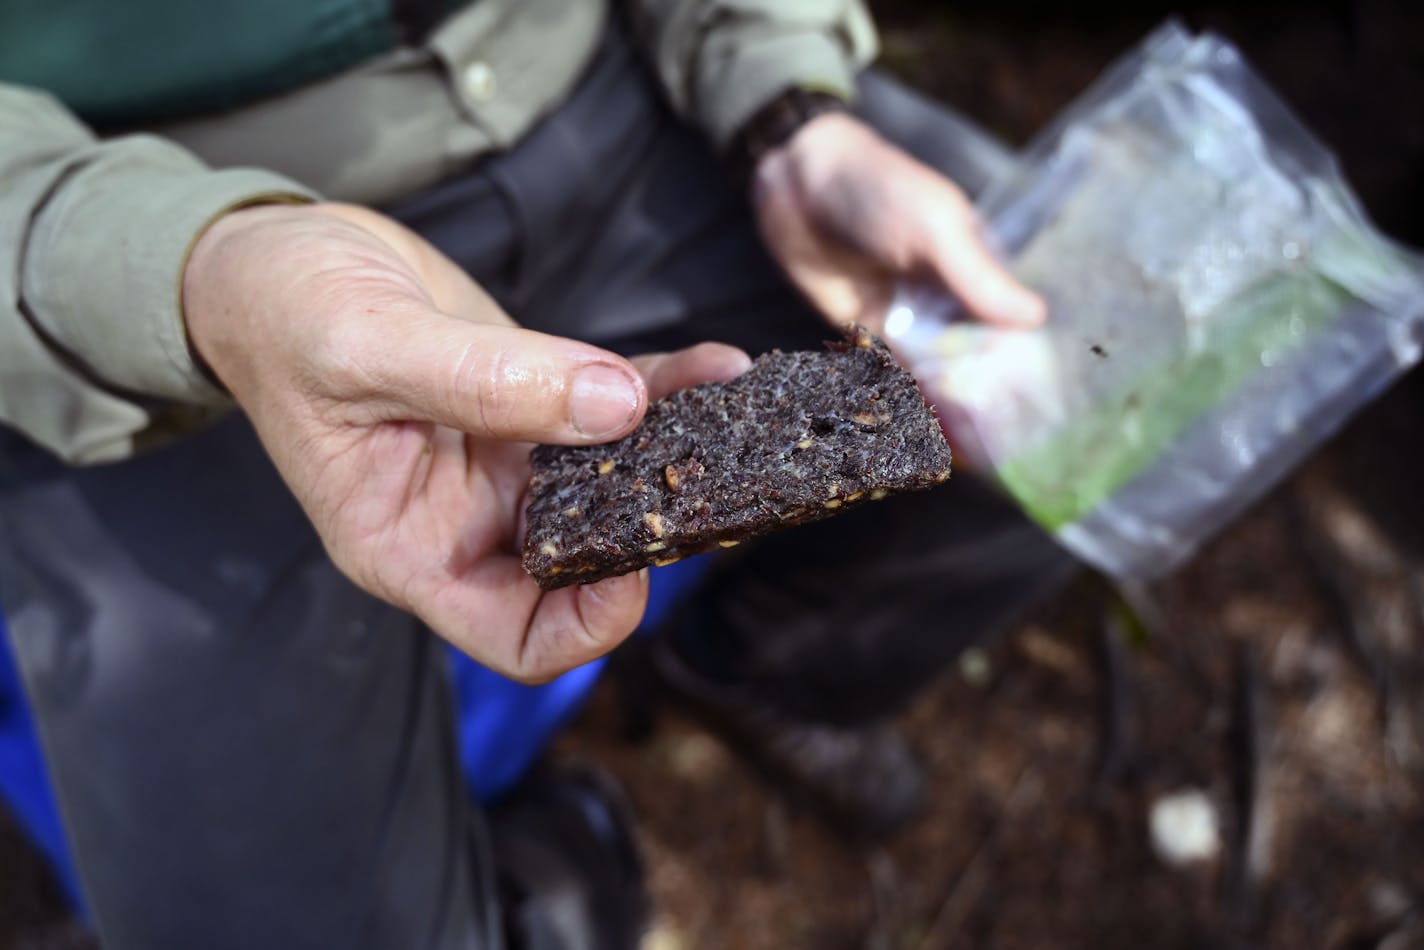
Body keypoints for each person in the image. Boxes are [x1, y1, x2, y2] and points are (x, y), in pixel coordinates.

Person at [0, 1, 1077, 946]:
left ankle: (754, 663)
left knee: (1076, 392)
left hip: (608, 95)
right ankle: (555, 871)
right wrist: (201, 273)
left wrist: (783, 102)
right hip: (134, 248)